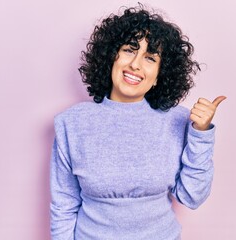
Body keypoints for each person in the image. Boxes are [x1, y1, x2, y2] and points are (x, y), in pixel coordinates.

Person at [50, 5, 226, 240]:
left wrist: (201, 134)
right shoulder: (71, 123)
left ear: (158, 76)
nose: (135, 64)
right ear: (111, 56)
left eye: (150, 58)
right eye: (129, 50)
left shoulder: (179, 120)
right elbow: (63, 206)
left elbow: (191, 197)